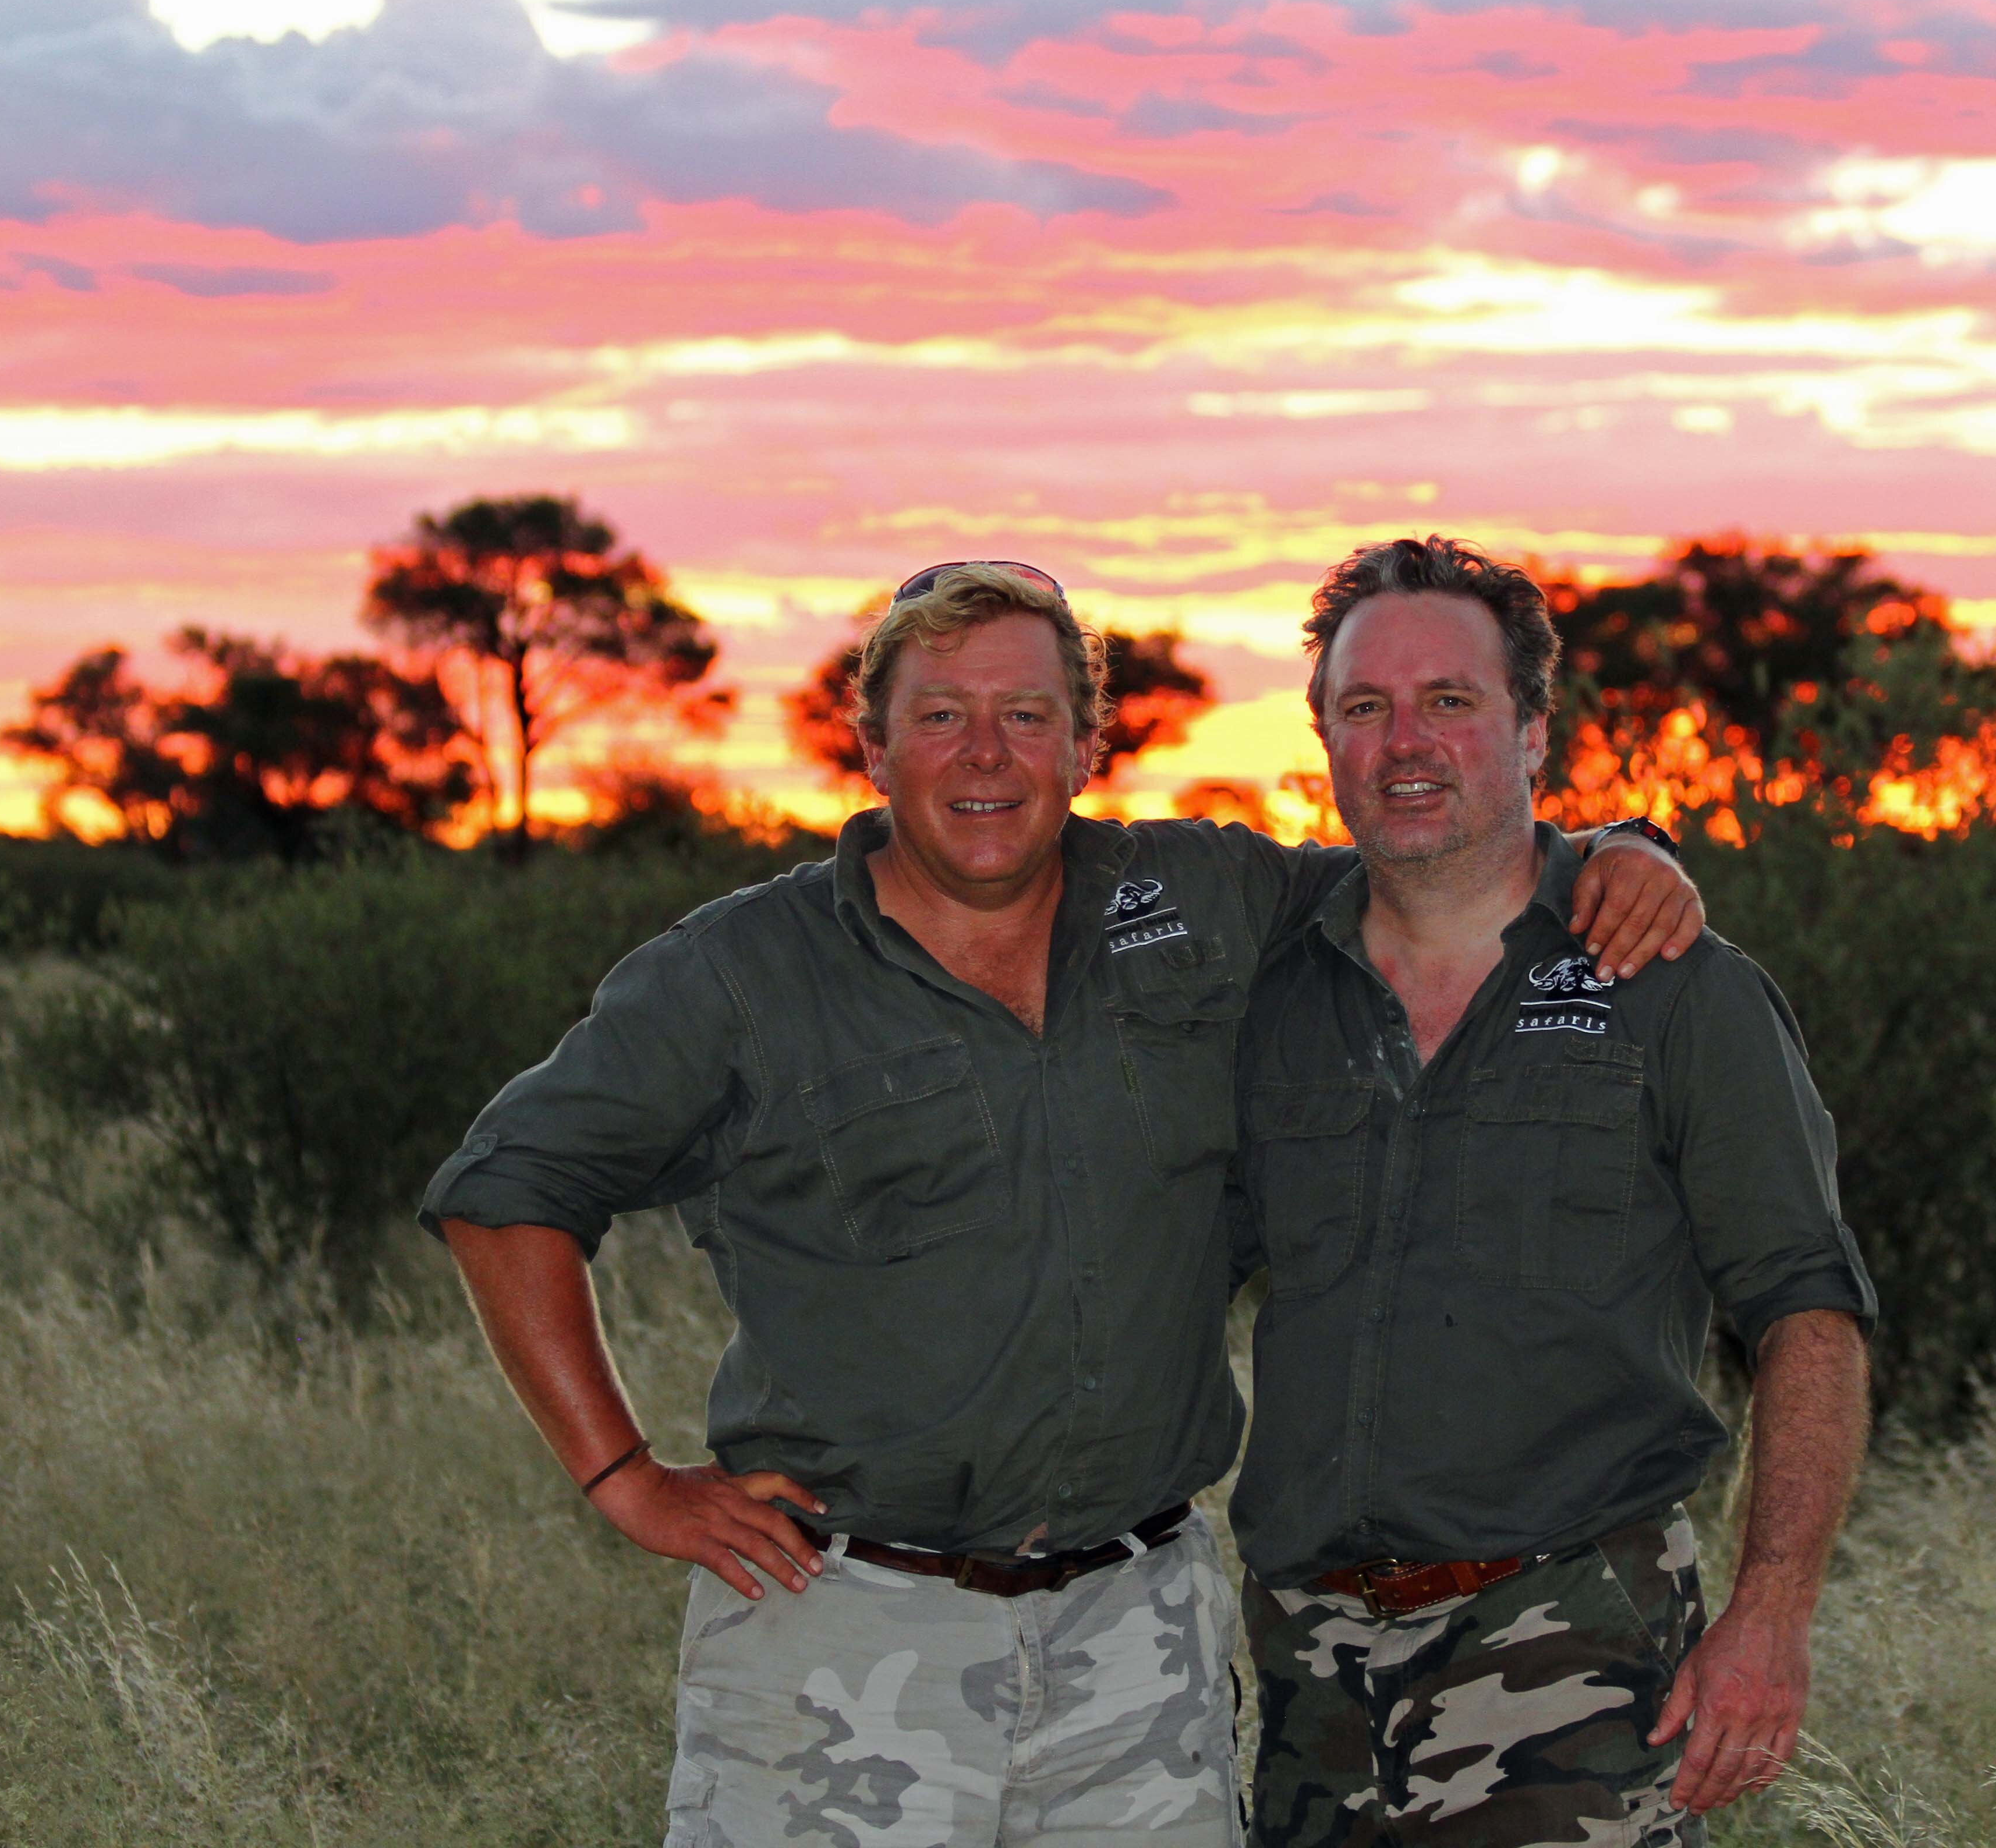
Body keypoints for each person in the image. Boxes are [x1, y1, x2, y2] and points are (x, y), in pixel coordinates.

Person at [419, 560, 1705, 1848]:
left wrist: (1610, 850)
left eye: (1028, 716)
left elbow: (1430, 867)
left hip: (1136, 1639)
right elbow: (507, 1190)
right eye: (940, 717)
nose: (987, 755)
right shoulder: (743, 972)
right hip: (845, 1635)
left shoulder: (1197, 901)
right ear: (871, 745)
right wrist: (626, 1477)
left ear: (1088, 742)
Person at [1228, 537, 1878, 1848]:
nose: (1406, 742)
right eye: (1367, 709)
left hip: (1571, 1654)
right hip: (1309, 1682)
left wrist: (1771, 1616)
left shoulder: (1677, 989)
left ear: (1533, 730)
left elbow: (1809, 1313)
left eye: (1450, 703)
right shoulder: (1265, 980)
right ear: (1327, 740)